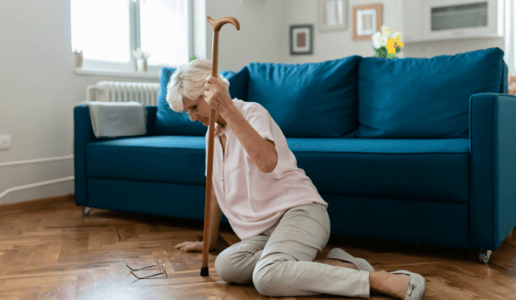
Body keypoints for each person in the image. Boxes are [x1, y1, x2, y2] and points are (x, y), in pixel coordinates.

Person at [168, 59, 426, 300]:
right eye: (186, 111)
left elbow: (267, 162)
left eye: (193, 107)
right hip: (263, 231)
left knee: (267, 278)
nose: (191, 117)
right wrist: (208, 242)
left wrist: (227, 109)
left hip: (300, 212)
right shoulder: (211, 136)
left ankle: (374, 279)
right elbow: (214, 193)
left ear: (211, 94)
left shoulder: (251, 113)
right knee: (226, 265)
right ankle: (336, 265)